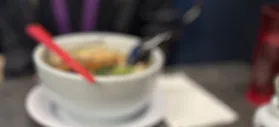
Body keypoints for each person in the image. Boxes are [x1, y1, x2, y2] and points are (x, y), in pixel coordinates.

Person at [0, 0, 180, 76]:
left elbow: (161, 25)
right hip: (40, 86)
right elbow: (11, 37)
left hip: (124, 92)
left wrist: (140, 62)